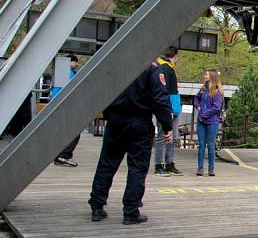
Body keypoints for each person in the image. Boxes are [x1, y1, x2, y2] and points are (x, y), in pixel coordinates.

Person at [88, 60, 173, 225]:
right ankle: (131, 211)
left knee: (107, 163)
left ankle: (97, 206)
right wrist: (167, 126)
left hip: (116, 120)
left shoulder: (116, 63)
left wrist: (109, 114)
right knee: (137, 167)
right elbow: (160, 99)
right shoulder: (152, 68)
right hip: (140, 121)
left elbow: (101, 91)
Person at [153, 46, 183, 176]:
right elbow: (164, 90)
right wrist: (167, 107)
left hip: (172, 107)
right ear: (174, 56)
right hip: (166, 107)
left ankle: (169, 163)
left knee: (172, 136)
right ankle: (159, 165)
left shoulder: (168, 68)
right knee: (162, 136)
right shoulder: (164, 68)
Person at [194, 69, 224, 176]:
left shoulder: (217, 91)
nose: (204, 76)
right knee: (201, 145)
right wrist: (198, 106)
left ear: (211, 76)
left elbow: (216, 108)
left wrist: (203, 115)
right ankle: (200, 168)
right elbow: (196, 99)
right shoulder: (203, 89)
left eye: (206, 74)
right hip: (201, 121)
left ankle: (211, 169)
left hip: (212, 121)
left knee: (211, 145)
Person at [53, 55, 81, 167]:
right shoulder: (70, 74)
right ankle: (64, 155)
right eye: (75, 62)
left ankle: (58, 156)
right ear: (69, 62)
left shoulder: (61, 74)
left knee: (63, 132)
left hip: (58, 105)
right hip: (65, 106)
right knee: (74, 132)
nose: (77, 64)